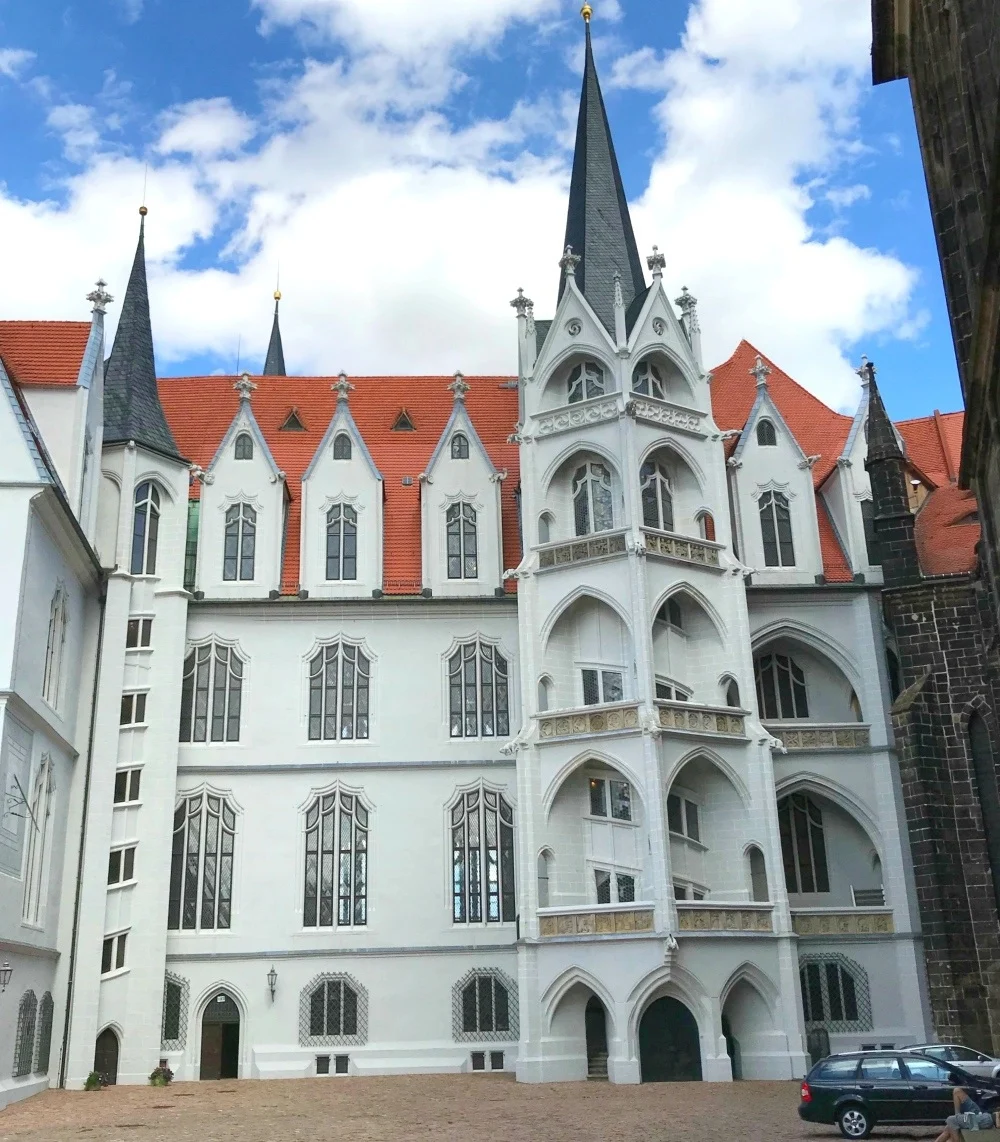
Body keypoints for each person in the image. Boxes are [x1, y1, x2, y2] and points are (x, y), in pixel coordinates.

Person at [933, 1087, 1000, 1141]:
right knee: (957, 1091)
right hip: (980, 1112)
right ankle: (958, 1116)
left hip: (984, 1119)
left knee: (951, 1124)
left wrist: (997, 1116)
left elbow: (998, 1124)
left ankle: (958, 1121)